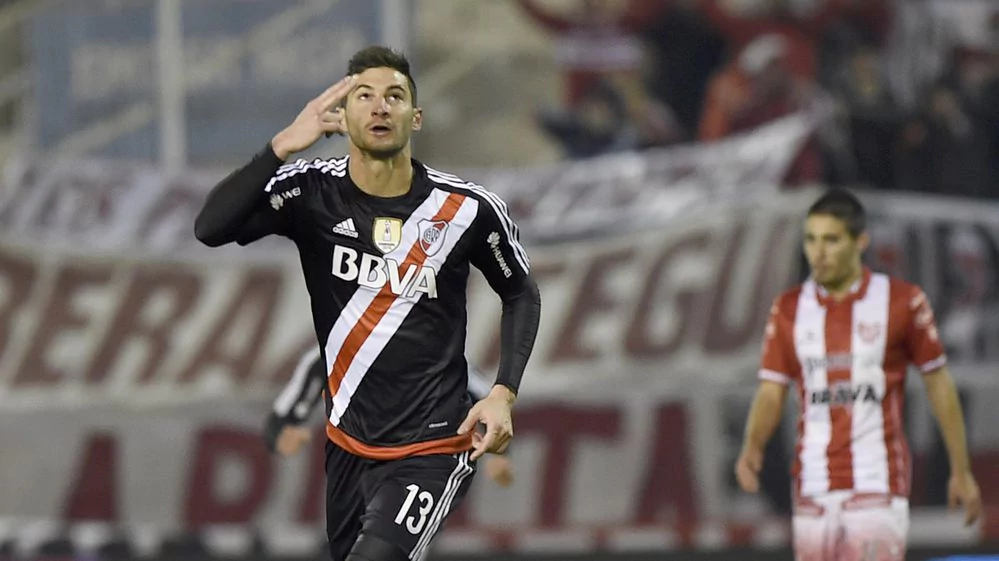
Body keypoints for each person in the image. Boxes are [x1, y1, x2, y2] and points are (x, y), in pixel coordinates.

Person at [194, 46, 541, 561]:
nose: (380, 106)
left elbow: (520, 293)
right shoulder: (311, 192)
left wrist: (503, 394)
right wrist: (283, 145)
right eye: (364, 96)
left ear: (415, 117)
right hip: (348, 446)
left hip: (434, 446)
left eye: (395, 96)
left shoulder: (465, 209)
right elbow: (210, 228)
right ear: (344, 115)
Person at [734, 189, 981, 560]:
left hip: (876, 484)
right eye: (811, 240)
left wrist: (961, 469)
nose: (819, 252)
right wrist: (753, 445)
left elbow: (939, 384)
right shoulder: (789, 309)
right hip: (813, 486)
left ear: (860, 242)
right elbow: (771, 389)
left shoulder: (902, 301)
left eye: (831, 240)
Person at [264, 346, 515, 488]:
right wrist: (282, 434)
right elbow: (281, 417)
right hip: (360, 461)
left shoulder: (435, 349)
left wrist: (500, 454)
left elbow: (487, 400)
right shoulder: (331, 353)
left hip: (419, 458)